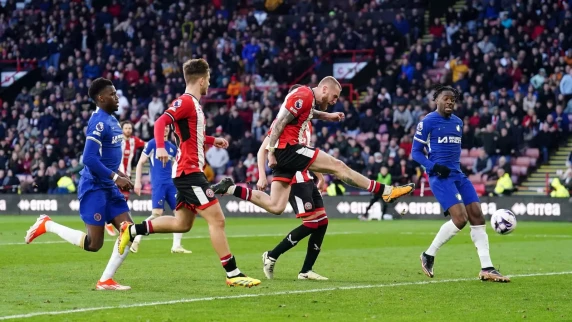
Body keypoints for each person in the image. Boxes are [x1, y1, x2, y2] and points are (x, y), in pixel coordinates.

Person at [117, 58, 260, 288]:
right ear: (202, 80)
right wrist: (161, 146)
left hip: (186, 171)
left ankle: (132, 230)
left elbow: (190, 137)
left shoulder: (193, 105)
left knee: (182, 224)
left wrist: (213, 140)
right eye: (209, 80)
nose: (209, 84)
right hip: (189, 172)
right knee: (218, 219)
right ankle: (233, 273)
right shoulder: (185, 102)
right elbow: (161, 122)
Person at [211, 77, 415, 216]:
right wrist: (272, 152)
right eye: (334, 97)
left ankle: (231, 188)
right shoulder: (304, 95)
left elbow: (305, 114)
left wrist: (327, 115)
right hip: (289, 149)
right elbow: (281, 122)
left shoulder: (306, 101)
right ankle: (385, 191)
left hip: (284, 154)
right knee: (339, 166)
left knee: (276, 206)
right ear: (324, 89)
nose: (335, 101)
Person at [25, 77, 135, 290]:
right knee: (94, 244)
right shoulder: (98, 121)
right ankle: (47, 224)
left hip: (109, 186)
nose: (116, 97)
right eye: (112, 94)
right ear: (101, 98)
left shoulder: (112, 120)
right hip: (94, 186)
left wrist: (121, 175)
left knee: (128, 231)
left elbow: (106, 158)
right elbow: (89, 159)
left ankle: (105, 280)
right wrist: (116, 177)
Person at [411, 85, 510, 282]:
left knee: (477, 216)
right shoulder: (427, 122)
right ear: (437, 100)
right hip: (439, 177)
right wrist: (435, 167)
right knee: (460, 218)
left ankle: (487, 268)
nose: (450, 102)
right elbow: (415, 152)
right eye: (446, 98)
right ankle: (428, 254)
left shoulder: (458, 122)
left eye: (453, 100)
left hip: (458, 174)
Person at [258, 84, 329, 281]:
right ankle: (272, 255)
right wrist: (262, 175)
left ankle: (306, 270)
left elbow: (306, 154)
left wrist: (320, 175)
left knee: (322, 222)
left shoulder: (306, 123)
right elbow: (262, 149)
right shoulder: (283, 123)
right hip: (294, 178)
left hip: (307, 176)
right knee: (311, 223)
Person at [131, 126, 192, 254]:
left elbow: (178, 165)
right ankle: (137, 236)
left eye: (166, 128)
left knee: (180, 213)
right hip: (158, 184)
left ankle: (176, 246)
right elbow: (141, 162)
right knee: (157, 214)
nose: (164, 129)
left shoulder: (172, 147)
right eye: (162, 128)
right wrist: (137, 182)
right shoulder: (153, 144)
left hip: (171, 184)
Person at [104, 121, 146, 237]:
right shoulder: (116, 140)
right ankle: (110, 222)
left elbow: (147, 145)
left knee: (123, 200)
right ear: (122, 129)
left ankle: (121, 225)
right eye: (126, 128)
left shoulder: (134, 141)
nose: (128, 130)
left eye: (130, 128)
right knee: (114, 198)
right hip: (116, 175)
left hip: (127, 176)